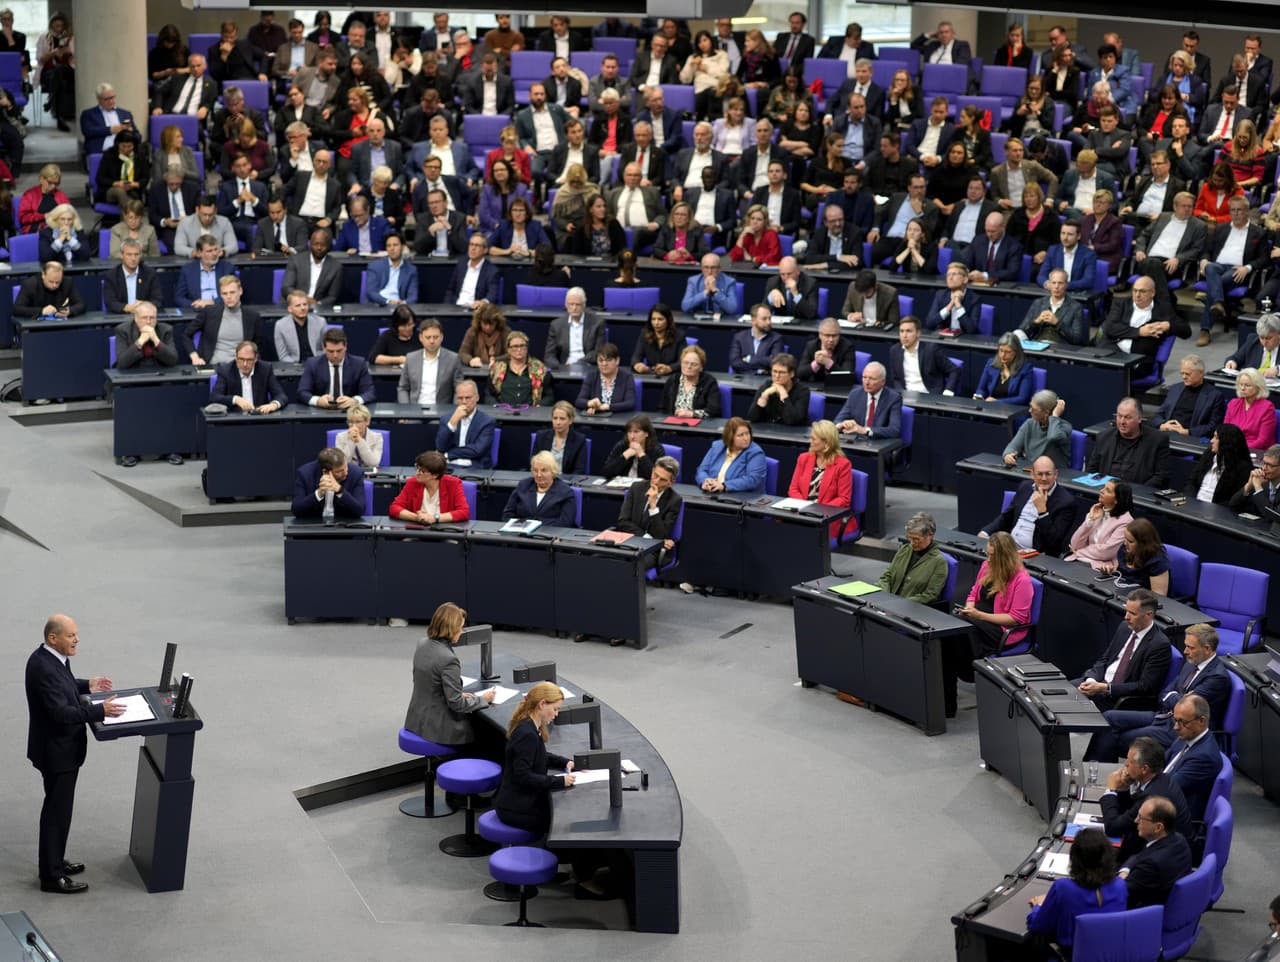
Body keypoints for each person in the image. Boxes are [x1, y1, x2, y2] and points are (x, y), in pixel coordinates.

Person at [26, 614, 125, 894]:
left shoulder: (51, 658)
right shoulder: (43, 668)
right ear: (52, 638)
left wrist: (86, 685)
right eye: (71, 635)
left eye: (76, 634)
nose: (77, 639)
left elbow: (64, 685)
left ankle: (54, 860)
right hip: (57, 753)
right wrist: (99, 710)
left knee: (60, 811)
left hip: (60, 750)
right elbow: (60, 712)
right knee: (57, 813)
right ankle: (51, 875)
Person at [1087, 623, 1231, 762]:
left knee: (1119, 738)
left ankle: (1099, 773)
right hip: (1163, 716)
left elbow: (1185, 708)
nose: (1185, 651)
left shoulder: (1217, 677)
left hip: (1180, 729)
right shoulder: (1190, 663)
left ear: (1207, 648)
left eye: (1190, 647)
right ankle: (1092, 765)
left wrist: (1175, 697)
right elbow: (1165, 693)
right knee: (1109, 718)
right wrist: (1177, 697)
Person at [951, 533, 1033, 714]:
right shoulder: (987, 566)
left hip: (1003, 628)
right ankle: (958, 672)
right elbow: (973, 593)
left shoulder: (1022, 579)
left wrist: (979, 615)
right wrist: (970, 607)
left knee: (963, 627)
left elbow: (1015, 618)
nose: (988, 559)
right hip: (978, 616)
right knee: (954, 624)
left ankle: (968, 669)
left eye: (992, 555)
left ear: (1005, 556)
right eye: (987, 554)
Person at [492, 681, 575, 836]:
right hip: (516, 809)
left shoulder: (530, 726)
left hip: (519, 801)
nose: (556, 714)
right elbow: (523, 776)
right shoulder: (527, 734)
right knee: (561, 822)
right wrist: (560, 781)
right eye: (555, 709)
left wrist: (565, 762)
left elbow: (539, 755)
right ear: (542, 704)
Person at [1025, 828, 1128, 951]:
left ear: (1075, 859)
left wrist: (1038, 906)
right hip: (1110, 954)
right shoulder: (1120, 885)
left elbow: (1038, 925)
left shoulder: (1063, 888)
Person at [1075, 589, 1172, 712]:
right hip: (1098, 684)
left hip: (1118, 699)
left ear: (1149, 614)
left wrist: (1105, 688)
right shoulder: (1124, 628)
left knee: (1075, 709)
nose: (1126, 617)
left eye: (1133, 613)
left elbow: (1144, 687)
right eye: (1127, 611)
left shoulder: (1159, 644)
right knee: (1062, 693)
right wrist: (1091, 680)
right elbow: (1105, 659)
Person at [1099, 737, 1193, 861]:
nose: (1125, 764)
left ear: (1144, 769)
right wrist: (1124, 788)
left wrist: (1111, 790)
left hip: (1159, 858)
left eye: (1130, 762)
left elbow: (1113, 828)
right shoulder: (1162, 778)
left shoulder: (1152, 797)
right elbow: (1130, 813)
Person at [980, 456, 1076, 556]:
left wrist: (1042, 512)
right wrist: (986, 532)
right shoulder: (1025, 487)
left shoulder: (1066, 502)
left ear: (1055, 474)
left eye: (1048, 474)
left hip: (1035, 555)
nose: (1044, 478)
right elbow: (1006, 517)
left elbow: (1053, 542)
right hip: (1010, 546)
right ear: (1032, 474)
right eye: (1039, 474)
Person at [614, 456, 683, 583]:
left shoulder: (674, 500)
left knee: (629, 567)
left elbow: (661, 535)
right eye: (655, 475)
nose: (656, 482)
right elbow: (623, 521)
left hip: (653, 552)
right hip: (628, 541)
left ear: (671, 482)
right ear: (652, 471)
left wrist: (653, 506)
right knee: (601, 558)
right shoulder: (636, 488)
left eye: (662, 479)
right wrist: (646, 537)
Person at [788, 420, 859, 542]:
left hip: (827, 517)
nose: (810, 442)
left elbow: (843, 499)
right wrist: (804, 508)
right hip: (802, 512)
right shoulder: (803, 458)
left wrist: (817, 510)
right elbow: (793, 489)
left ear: (826, 442)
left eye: (814, 439)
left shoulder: (843, 464)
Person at [1119, 796, 1193, 909]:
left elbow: (1120, 891)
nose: (1136, 821)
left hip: (1141, 914)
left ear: (1158, 827)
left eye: (1141, 818)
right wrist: (1125, 870)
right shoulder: (1178, 839)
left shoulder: (1152, 865)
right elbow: (1138, 856)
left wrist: (1121, 877)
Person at [1163, 693, 1225, 823]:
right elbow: (1162, 761)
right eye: (1175, 720)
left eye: (1182, 722)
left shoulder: (1204, 757)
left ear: (1201, 721)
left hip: (1174, 821)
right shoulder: (1187, 736)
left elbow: (1167, 789)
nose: (1176, 727)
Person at [1088, 397, 1171, 488]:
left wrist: (1134, 492)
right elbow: (1092, 471)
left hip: (1136, 496)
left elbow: (1161, 477)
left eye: (1127, 417)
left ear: (1139, 419)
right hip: (1106, 492)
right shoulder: (1103, 437)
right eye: (1119, 416)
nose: (1122, 422)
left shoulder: (1157, 440)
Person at [878, 512, 948, 605]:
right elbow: (887, 576)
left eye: (916, 539)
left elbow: (930, 595)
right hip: (888, 603)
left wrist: (899, 603)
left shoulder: (939, 562)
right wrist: (885, 596)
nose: (912, 543)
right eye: (909, 538)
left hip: (911, 609)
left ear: (930, 535)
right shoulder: (904, 549)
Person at [298, 327, 373, 410]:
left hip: (350, 412)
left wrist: (355, 400)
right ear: (324, 349)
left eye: (339, 351)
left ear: (345, 347)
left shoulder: (358, 364)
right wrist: (318, 401)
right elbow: (302, 392)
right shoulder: (313, 364)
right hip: (321, 412)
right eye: (330, 351)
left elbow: (370, 392)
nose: (335, 355)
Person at [1153, 355, 1226, 439]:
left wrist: (1188, 432)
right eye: (1182, 373)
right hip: (1167, 432)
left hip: (1190, 438)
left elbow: (1213, 426)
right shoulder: (1175, 389)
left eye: (1188, 374)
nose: (1184, 377)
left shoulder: (1214, 396)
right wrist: (1163, 425)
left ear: (1201, 373)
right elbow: (1158, 414)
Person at [1067, 480, 1135, 570]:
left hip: (1099, 568)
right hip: (1077, 560)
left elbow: (1106, 552)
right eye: (1103, 487)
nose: (1101, 491)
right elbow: (1075, 544)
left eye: (1108, 490)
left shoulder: (1126, 521)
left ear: (1116, 500)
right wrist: (1090, 521)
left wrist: (1078, 552)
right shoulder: (1097, 511)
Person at [390, 451, 470, 526]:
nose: (417, 473)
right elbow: (394, 508)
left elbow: (464, 512)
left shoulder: (453, 484)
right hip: (418, 531)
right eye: (417, 468)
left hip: (444, 531)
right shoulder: (412, 482)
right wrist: (417, 517)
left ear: (435, 475)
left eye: (422, 471)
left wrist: (435, 518)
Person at [395, 319, 461, 406]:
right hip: (414, 411)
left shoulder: (453, 359)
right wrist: (406, 411)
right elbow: (403, 388)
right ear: (421, 338)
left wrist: (453, 413)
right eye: (428, 337)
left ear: (442, 337)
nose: (432, 341)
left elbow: (459, 390)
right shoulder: (411, 358)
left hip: (441, 412)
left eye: (435, 337)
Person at [503, 451, 577, 527]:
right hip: (521, 533)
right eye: (535, 470)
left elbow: (566, 522)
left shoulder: (565, 492)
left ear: (553, 471)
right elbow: (507, 514)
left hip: (550, 535)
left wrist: (534, 525)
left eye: (543, 470)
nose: (539, 475)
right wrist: (521, 525)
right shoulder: (523, 485)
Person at [209, 340, 285, 413]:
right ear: (236, 358)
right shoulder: (225, 370)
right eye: (241, 359)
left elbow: (281, 395)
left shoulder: (265, 369)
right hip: (234, 419)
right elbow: (214, 397)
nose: (245, 364)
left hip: (259, 417)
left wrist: (274, 405)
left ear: (255, 359)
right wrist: (236, 399)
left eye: (249, 360)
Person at [696, 417, 767, 495]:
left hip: (741, 497)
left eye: (747, 433)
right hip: (713, 494)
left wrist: (724, 486)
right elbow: (702, 469)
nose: (746, 438)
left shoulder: (755, 453)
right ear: (730, 437)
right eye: (740, 435)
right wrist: (705, 481)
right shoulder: (717, 446)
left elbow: (752, 479)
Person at [291, 446, 366, 518]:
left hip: (344, 524)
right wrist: (319, 494)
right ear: (325, 471)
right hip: (314, 524)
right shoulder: (305, 474)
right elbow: (296, 510)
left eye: (346, 467)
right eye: (340, 471)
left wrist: (340, 490)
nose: (346, 472)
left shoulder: (355, 473)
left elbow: (360, 510)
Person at [1188, 425, 1254, 505]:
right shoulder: (1208, 454)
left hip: (1217, 511)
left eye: (1216, 437)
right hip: (1194, 504)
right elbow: (1191, 482)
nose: (1211, 441)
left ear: (1226, 442)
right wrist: (1190, 501)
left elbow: (1234, 501)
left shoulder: (1243, 468)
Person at [1003, 391, 1071, 468]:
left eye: (1034, 409)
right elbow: (1013, 446)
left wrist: (1055, 416)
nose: (1029, 411)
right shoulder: (1029, 423)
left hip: (1052, 474)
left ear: (1046, 412)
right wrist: (1008, 455)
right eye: (1030, 406)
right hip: (1031, 471)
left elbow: (1053, 437)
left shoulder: (1064, 427)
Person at [436, 380, 495, 468]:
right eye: (460, 398)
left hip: (475, 465)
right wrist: (452, 424)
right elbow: (440, 447)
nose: (464, 401)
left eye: (468, 398)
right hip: (449, 466)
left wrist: (449, 454)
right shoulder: (447, 419)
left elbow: (478, 450)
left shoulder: (487, 421)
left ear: (477, 398)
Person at [836, 362, 901, 438]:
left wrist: (865, 430)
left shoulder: (893, 398)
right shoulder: (855, 394)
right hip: (856, 442)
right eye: (864, 377)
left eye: (872, 379)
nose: (867, 382)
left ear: (883, 382)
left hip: (877, 443)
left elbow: (894, 430)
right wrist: (842, 425)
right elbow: (837, 421)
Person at [545, 288, 605, 369]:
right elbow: (549, 355)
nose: (574, 308)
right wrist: (559, 367)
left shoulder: (597, 323)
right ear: (566, 305)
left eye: (578, 304)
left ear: (584, 305)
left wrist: (577, 363)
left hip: (588, 366)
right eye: (571, 304)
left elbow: (598, 352)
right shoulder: (556, 325)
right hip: (564, 366)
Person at [489, 331, 550, 407]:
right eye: (515, 346)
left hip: (532, 414)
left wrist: (540, 407)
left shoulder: (540, 369)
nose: (519, 349)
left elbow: (549, 396)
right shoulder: (497, 368)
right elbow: (489, 394)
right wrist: (495, 407)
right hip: (503, 412)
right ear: (508, 349)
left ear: (527, 348)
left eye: (522, 346)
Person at [747, 354, 810, 426]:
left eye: (782, 372)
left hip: (793, 434)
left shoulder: (802, 391)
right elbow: (752, 417)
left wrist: (783, 394)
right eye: (774, 371)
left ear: (792, 374)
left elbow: (792, 420)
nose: (777, 376)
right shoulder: (766, 386)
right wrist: (764, 396)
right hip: (769, 432)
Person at [114, 301, 179, 371]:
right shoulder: (123, 330)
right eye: (144, 318)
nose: (148, 322)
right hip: (132, 372)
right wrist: (140, 342)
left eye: (152, 318)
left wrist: (156, 341)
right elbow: (122, 363)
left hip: (159, 372)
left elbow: (173, 361)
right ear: (136, 318)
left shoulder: (166, 330)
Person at [661, 345, 722, 418]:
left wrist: (692, 414)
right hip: (672, 425)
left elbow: (714, 410)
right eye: (685, 362)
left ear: (701, 367)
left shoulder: (709, 382)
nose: (688, 366)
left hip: (698, 426)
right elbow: (662, 408)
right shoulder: (672, 380)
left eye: (694, 364)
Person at [973, 334, 1034, 406]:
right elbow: (981, 389)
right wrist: (979, 396)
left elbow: (1022, 398)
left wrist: (997, 401)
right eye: (1001, 350)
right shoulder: (991, 364)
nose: (1003, 355)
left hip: (1013, 409)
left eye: (1007, 352)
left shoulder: (1025, 369)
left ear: (1016, 353)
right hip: (990, 407)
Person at [1225, 369, 1277, 451]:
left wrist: (1240, 448)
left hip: (1256, 451)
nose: (1242, 388)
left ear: (1258, 386)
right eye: (1241, 384)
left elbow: (1262, 441)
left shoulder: (1267, 408)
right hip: (1232, 449)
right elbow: (1225, 431)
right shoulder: (1233, 404)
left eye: (1247, 385)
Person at [576, 343, 636, 415]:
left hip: (618, 420)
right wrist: (590, 403)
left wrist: (608, 407)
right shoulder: (591, 376)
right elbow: (579, 401)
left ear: (617, 360)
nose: (604, 364)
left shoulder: (627, 377)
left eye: (608, 360)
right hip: (596, 421)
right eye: (601, 360)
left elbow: (630, 403)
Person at [924, 262, 981, 334]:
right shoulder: (940, 295)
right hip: (944, 339)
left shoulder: (974, 299)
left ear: (965, 279)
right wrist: (950, 306)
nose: (950, 278)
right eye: (948, 275)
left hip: (964, 340)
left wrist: (958, 305)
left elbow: (972, 330)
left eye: (954, 274)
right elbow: (929, 324)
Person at [13, 261, 84, 318]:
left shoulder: (67, 282)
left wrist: (70, 311)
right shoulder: (30, 284)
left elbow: (81, 304)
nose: (54, 285)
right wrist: (41, 311)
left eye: (58, 282)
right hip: (36, 328)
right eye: (51, 281)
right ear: (43, 275)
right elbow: (17, 309)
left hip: (60, 326)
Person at [533, 401, 588, 475]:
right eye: (555, 418)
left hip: (566, 483)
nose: (558, 422)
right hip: (544, 480)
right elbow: (534, 464)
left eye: (562, 419)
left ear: (570, 420)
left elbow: (579, 471)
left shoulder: (579, 440)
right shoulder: (541, 436)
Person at [730, 303, 784, 375]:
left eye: (769, 318)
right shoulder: (739, 337)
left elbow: (774, 362)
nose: (768, 322)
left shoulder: (776, 338)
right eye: (764, 319)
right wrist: (758, 371)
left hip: (765, 381)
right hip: (743, 380)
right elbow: (735, 362)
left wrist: (749, 359)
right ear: (753, 320)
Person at [603, 415, 662, 481]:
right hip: (621, 487)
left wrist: (642, 455)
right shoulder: (622, 446)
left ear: (646, 433)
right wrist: (624, 456)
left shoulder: (656, 449)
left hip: (643, 489)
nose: (632, 436)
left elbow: (657, 477)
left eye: (636, 432)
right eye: (629, 432)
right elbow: (606, 472)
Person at [631, 304, 686, 375]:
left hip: (672, 377)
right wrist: (637, 366)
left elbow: (683, 362)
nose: (656, 323)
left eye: (660, 319)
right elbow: (635, 357)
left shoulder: (679, 336)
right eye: (653, 319)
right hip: (651, 376)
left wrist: (669, 368)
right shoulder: (644, 334)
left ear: (668, 320)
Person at [1228, 443, 1280, 514]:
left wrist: (1258, 489)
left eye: (1270, 465)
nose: (1264, 468)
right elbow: (1233, 505)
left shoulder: (1259, 484)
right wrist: (1249, 485)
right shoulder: (1261, 480)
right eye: (1264, 463)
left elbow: (1273, 516)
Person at [799, 319, 855, 384]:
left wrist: (828, 363)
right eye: (827, 335)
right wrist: (816, 363)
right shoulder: (811, 346)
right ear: (820, 335)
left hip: (838, 387)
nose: (831, 339)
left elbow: (847, 377)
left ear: (839, 335)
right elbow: (800, 374)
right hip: (817, 385)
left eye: (834, 336)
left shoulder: (847, 347)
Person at [458, 305, 509, 371]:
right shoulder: (472, 332)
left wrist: (497, 360)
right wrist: (470, 360)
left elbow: (511, 353)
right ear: (479, 322)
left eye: (491, 324)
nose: (488, 327)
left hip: (500, 372)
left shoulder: (505, 332)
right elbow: (462, 353)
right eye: (485, 324)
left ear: (497, 322)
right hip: (477, 372)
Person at [334, 404, 382, 471]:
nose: (354, 426)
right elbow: (341, 463)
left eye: (358, 422)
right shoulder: (340, 437)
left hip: (370, 473)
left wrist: (360, 441)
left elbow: (373, 463)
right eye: (350, 422)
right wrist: (351, 441)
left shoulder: (377, 437)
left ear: (367, 422)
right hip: (349, 473)